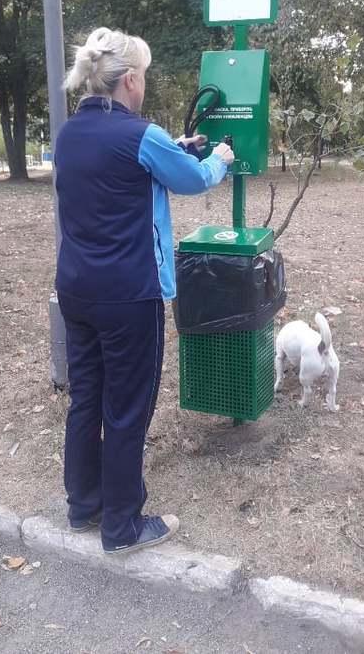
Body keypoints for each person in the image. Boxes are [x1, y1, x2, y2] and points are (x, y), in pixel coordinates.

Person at [54, 27, 234, 555]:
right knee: (128, 408)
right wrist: (218, 156)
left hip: (76, 292)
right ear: (130, 80)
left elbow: (119, 169)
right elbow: (194, 179)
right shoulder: (140, 134)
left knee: (86, 399)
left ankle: (84, 506)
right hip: (130, 296)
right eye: (145, 78)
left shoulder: (68, 134)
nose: (145, 87)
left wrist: (174, 147)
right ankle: (123, 527)